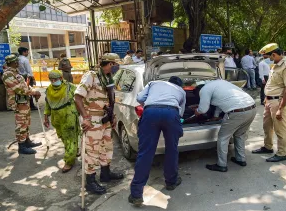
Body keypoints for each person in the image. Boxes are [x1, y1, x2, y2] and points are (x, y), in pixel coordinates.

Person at [129, 76, 186, 206]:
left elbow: (139, 98)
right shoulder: (181, 91)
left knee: (145, 153)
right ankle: (171, 182)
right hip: (171, 113)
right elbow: (181, 113)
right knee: (172, 150)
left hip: (150, 112)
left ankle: (136, 195)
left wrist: (152, 104)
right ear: (179, 85)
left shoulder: (154, 83)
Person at [74, 53, 123, 195]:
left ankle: (105, 174)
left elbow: (108, 100)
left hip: (105, 119)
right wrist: (86, 118)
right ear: (110, 64)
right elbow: (77, 98)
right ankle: (90, 182)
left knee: (106, 147)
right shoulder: (92, 76)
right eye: (116, 64)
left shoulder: (108, 78)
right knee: (92, 151)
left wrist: (112, 115)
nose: (117, 67)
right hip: (93, 120)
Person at [193, 80, 256, 172]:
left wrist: (197, 111)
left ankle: (221, 165)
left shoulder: (204, 90)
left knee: (223, 138)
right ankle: (240, 159)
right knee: (240, 135)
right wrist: (215, 116)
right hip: (252, 108)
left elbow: (203, 109)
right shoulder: (219, 84)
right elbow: (220, 102)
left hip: (236, 112)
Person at [252, 43, 286, 162]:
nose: (268, 59)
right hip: (269, 100)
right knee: (267, 126)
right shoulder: (275, 65)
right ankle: (268, 147)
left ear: (274, 54)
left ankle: (282, 153)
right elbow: (273, 84)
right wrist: (266, 98)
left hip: (278, 102)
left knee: (280, 129)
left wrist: (281, 108)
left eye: (269, 56)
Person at [2, 54, 42, 154]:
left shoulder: (16, 73)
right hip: (18, 103)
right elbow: (19, 89)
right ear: (13, 62)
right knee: (21, 124)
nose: (18, 63)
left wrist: (32, 91)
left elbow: (25, 87)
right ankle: (22, 146)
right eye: (17, 61)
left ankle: (27, 141)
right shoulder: (8, 74)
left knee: (26, 122)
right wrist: (34, 93)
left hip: (24, 101)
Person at [43, 70, 80, 173]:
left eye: (56, 79)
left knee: (69, 138)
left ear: (61, 78)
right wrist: (46, 117)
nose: (54, 81)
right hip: (56, 118)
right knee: (63, 137)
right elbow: (48, 104)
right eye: (51, 80)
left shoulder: (70, 87)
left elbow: (80, 99)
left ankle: (69, 161)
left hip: (69, 116)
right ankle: (74, 150)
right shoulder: (49, 90)